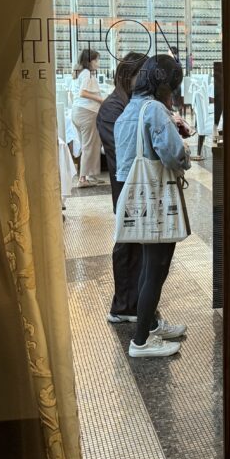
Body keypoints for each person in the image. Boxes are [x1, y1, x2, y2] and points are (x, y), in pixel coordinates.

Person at [114, 54, 191, 358]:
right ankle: (142, 340)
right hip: (157, 197)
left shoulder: (129, 108)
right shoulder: (155, 110)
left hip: (136, 197)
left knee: (149, 266)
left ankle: (151, 325)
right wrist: (184, 150)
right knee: (156, 269)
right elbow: (173, 155)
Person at [96, 51, 147, 324]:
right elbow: (122, 152)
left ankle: (138, 305)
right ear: (129, 75)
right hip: (126, 185)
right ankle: (123, 307)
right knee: (128, 244)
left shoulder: (128, 103)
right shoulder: (112, 108)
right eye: (142, 74)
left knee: (139, 245)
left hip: (138, 183)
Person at [71, 48, 106, 187]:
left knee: (87, 145)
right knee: (89, 146)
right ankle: (83, 179)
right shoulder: (86, 73)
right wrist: (101, 100)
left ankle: (90, 176)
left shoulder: (79, 73)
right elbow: (83, 93)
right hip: (87, 112)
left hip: (78, 112)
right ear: (89, 61)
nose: (98, 63)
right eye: (96, 60)